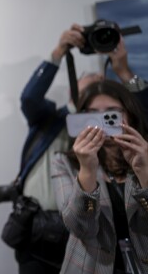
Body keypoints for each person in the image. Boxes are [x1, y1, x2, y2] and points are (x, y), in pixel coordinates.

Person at [12, 24, 148, 274]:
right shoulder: (52, 121)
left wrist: (122, 69)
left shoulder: (126, 151)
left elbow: (141, 111)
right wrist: (58, 54)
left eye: (109, 113)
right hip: (45, 225)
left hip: (93, 228)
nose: (97, 86)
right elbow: (30, 99)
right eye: (89, 85)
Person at [51, 79, 148, 274]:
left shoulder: (145, 155)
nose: (102, 122)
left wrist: (144, 171)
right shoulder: (64, 163)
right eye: (93, 114)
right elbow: (81, 228)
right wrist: (87, 170)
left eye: (112, 112)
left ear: (129, 115)